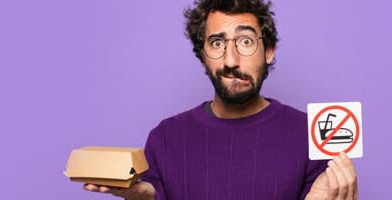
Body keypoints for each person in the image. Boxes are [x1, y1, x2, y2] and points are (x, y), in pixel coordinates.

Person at [84, 0, 358, 199]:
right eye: (217, 43)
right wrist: (142, 195)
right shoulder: (165, 137)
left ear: (269, 51)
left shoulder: (312, 136)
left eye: (246, 41)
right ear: (202, 55)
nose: (230, 60)